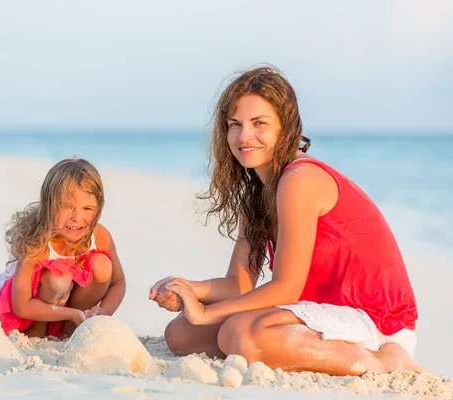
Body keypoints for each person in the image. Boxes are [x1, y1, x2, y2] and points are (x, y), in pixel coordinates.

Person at [149, 66, 423, 376]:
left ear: (286, 127)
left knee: (240, 333)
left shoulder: (300, 179)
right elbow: (238, 285)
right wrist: (187, 290)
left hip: (374, 321)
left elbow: (286, 288)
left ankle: (385, 362)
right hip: (310, 315)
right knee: (181, 333)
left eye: (259, 123)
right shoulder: (258, 192)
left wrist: (206, 312)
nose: (243, 136)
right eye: (234, 124)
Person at [0, 158, 126, 338]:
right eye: (67, 207)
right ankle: (38, 330)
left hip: (68, 304)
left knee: (102, 264)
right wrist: (72, 313)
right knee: (59, 277)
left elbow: (118, 282)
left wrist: (102, 312)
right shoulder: (37, 242)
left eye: (87, 209)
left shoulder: (99, 235)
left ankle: (70, 329)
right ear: (48, 204)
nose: (76, 217)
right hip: (23, 307)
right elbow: (21, 305)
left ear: (98, 209)